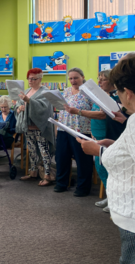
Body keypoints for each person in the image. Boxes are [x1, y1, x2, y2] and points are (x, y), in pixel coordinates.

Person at [76, 55, 135, 263]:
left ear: (128, 94)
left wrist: (99, 151)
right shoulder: (134, 119)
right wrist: (116, 146)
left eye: (120, 95)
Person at [63, 70, 116, 212]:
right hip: (95, 135)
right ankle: (110, 197)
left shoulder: (113, 97)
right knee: (100, 168)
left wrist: (78, 112)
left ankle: (115, 200)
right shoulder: (100, 95)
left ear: (111, 81)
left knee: (109, 168)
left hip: (106, 135)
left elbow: (103, 115)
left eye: (103, 80)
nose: (100, 82)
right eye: (99, 79)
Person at [54, 68, 93, 196]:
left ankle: (83, 188)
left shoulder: (89, 92)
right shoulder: (65, 91)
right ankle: (61, 183)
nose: (73, 81)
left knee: (82, 160)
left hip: (81, 130)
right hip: (63, 128)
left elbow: (95, 111)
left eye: (76, 78)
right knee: (61, 157)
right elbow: (61, 109)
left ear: (82, 77)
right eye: (70, 78)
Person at [15, 68, 56, 186]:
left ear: (40, 78)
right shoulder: (27, 90)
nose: (30, 81)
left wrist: (28, 101)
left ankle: (47, 175)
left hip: (40, 127)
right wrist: (19, 108)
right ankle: (33, 171)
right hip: (28, 125)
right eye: (29, 78)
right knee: (32, 149)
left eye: (33, 79)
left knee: (44, 150)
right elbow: (19, 104)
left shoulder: (45, 91)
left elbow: (44, 108)